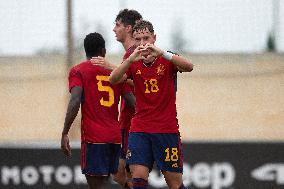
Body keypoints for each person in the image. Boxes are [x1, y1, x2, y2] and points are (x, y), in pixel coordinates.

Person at [109, 20, 194, 189]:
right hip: (140, 129)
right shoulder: (133, 62)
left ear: (154, 38)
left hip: (166, 129)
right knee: (138, 179)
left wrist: (163, 53)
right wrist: (129, 60)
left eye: (146, 38)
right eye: (138, 40)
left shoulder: (167, 59)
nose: (142, 44)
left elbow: (189, 66)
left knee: (174, 183)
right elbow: (113, 79)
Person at [60, 32, 135, 189]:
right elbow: (132, 102)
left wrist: (65, 132)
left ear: (85, 51)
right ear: (103, 51)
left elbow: (74, 101)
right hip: (115, 138)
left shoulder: (78, 71)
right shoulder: (116, 72)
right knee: (109, 182)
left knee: (97, 186)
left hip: (94, 138)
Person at [92, 9, 142, 189]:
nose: (114, 29)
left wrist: (109, 66)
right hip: (127, 122)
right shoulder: (129, 54)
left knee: (128, 172)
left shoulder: (135, 53)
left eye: (118, 25)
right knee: (121, 172)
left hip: (134, 123)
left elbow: (140, 81)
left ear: (128, 28)